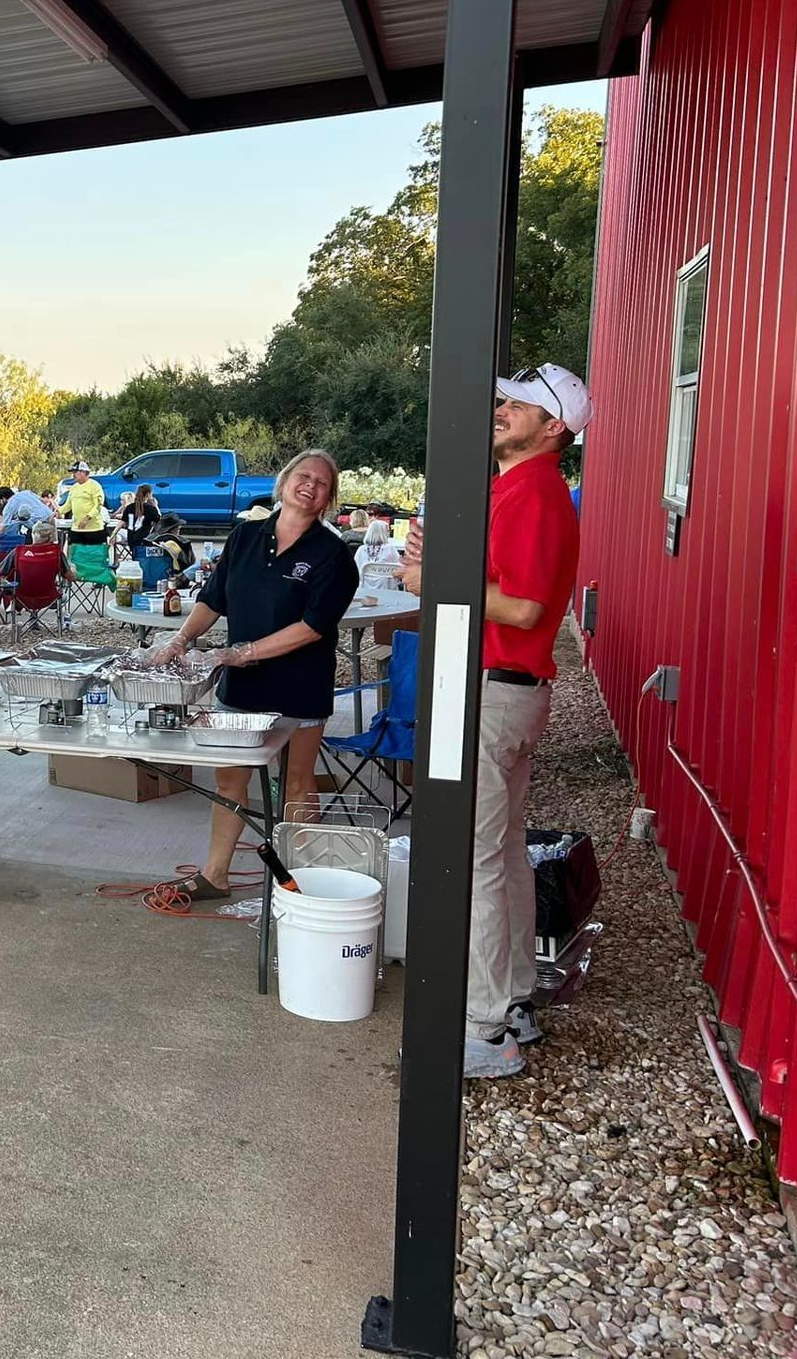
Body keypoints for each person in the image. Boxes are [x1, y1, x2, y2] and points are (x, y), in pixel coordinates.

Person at [398, 364, 589, 1080]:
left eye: (523, 406)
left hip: (497, 690)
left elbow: (525, 608)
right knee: (504, 854)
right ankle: (510, 1002)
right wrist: (436, 560)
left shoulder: (536, 492)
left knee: (474, 861)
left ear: (554, 429)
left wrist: (431, 581)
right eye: (507, 400)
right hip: (509, 689)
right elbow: (498, 581)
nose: (504, 410)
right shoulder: (512, 487)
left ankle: (481, 1030)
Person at [148, 450, 359, 900]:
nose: (310, 486)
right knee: (230, 781)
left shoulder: (333, 555)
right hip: (240, 688)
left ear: (329, 498)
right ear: (283, 482)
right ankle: (215, 875)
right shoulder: (244, 536)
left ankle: (300, 886)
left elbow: (314, 627)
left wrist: (244, 651)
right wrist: (180, 640)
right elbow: (212, 599)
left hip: (299, 688)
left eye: (322, 483)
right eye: (303, 476)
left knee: (296, 782)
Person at [354, 518, 401, 582]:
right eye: (388, 531)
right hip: (387, 588)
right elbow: (399, 569)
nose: (389, 533)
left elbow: (355, 569)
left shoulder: (361, 550)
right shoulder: (390, 549)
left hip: (364, 587)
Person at [117, 483, 161, 550]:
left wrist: (114, 534)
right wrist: (155, 505)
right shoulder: (150, 509)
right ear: (148, 494)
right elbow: (159, 520)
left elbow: (122, 521)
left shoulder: (129, 507)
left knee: (135, 557)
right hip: (144, 540)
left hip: (131, 540)